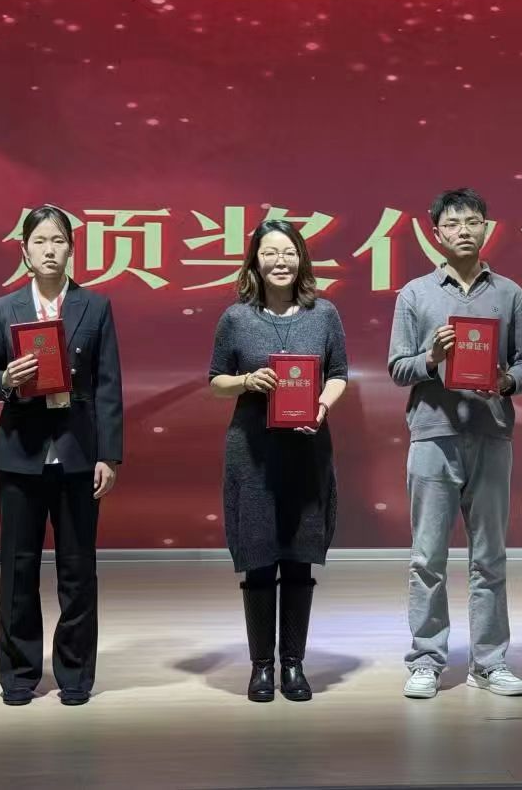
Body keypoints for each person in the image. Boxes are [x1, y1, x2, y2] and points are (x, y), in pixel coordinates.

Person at [388, 187, 522, 700]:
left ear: (486, 228)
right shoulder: (415, 295)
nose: (464, 231)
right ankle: (426, 660)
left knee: (490, 556)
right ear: (436, 234)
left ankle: (490, 662)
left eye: (473, 221)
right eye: (452, 224)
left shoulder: (511, 294)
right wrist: (432, 359)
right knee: (427, 557)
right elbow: (398, 368)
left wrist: (506, 381)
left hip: (492, 433)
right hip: (433, 434)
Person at [0, 204, 123, 707]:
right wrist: (6, 380)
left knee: (77, 571)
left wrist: (109, 456)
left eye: (58, 240)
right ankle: (19, 674)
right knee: (18, 569)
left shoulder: (95, 307)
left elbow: (108, 386)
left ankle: (75, 674)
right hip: (20, 455)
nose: (49, 250)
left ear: (71, 248)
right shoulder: (5, 308)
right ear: (24, 251)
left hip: (78, 455)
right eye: (39, 241)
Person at [208, 220, 349, 703]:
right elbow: (215, 379)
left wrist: (322, 405)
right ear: (255, 261)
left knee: (298, 559)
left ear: (301, 258)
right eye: (269, 253)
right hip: (253, 454)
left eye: (289, 252)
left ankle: (293, 664)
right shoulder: (235, 318)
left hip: (307, 451)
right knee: (259, 560)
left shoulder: (324, 313)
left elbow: (339, 373)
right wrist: (247, 382)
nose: (280, 261)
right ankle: (261, 668)